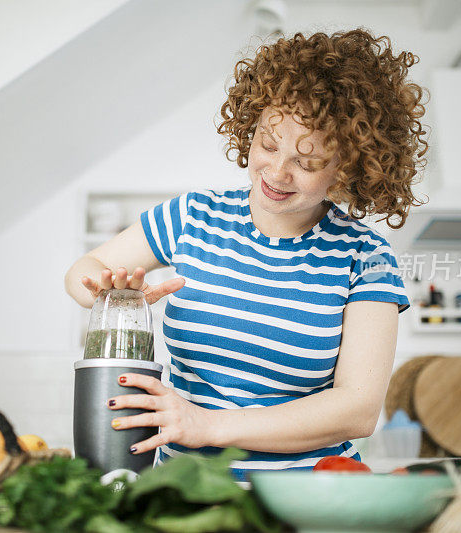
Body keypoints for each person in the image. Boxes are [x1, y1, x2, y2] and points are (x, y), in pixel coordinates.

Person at [64, 28, 427, 480]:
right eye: (268, 144)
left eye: (307, 162)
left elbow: (356, 410)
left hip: (308, 501)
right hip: (188, 494)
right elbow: (84, 270)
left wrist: (209, 425)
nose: (277, 171)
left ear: (348, 167)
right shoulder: (193, 216)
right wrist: (110, 292)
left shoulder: (366, 257)